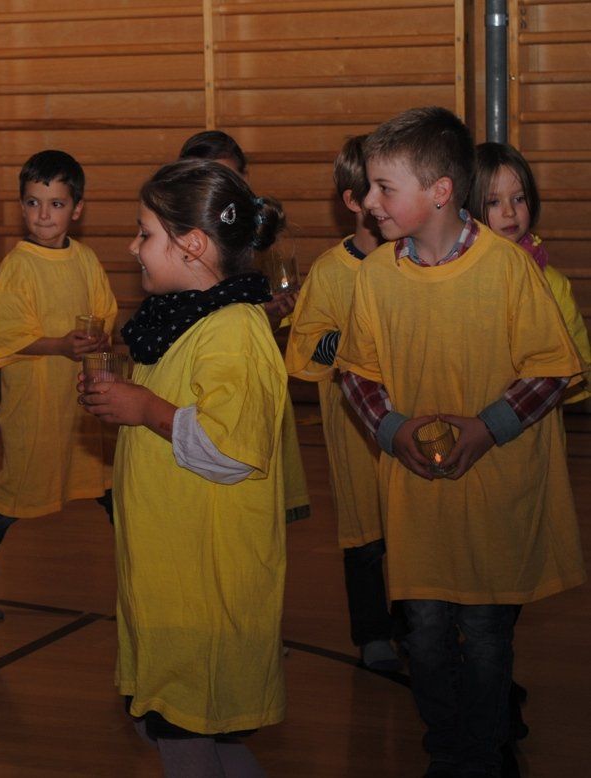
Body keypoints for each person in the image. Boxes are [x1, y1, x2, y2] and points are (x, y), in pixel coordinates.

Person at [335, 107, 585, 778]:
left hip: (496, 500)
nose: (370, 201)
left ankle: (479, 752)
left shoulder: (509, 270)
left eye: (385, 188)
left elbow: (552, 370)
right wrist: (392, 429)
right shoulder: (374, 276)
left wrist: (487, 427)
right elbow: (354, 373)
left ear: (440, 191)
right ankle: (448, 747)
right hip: (418, 504)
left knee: (486, 639)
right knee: (424, 637)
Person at [82, 159, 288, 777]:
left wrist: (144, 408)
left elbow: (230, 450)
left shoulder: (235, 330)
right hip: (171, 571)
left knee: (183, 727)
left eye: (145, 233)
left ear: (192, 245)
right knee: (184, 725)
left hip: (205, 584)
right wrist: (125, 405)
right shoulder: (181, 317)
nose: (132, 247)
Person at [0, 149, 117, 623]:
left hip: (79, 406)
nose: (44, 215)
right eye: (33, 203)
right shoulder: (19, 264)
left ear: (77, 208)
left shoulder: (86, 259)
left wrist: (97, 340)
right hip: (36, 408)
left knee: (112, 488)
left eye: (56, 204)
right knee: (12, 498)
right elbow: (0, 334)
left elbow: (104, 311)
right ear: (21, 207)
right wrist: (58, 345)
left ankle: (154, 575)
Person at [284, 135, 401, 672]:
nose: (381, 201)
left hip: (411, 426)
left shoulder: (417, 260)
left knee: (414, 534)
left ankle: (418, 627)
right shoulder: (332, 271)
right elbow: (305, 347)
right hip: (356, 431)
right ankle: (373, 632)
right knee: (365, 536)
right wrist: (358, 341)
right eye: (372, 190)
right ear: (353, 200)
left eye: (390, 188)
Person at [180, 130, 310, 524]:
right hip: (201, 401)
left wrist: (272, 313)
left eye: (230, 180)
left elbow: (258, 319)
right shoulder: (175, 251)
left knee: (253, 507)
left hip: (250, 395)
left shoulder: (257, 240)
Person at [467, 141, 591, 404]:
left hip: (534, 419)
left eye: (519, 198)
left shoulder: (552, 283)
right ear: (468, 207)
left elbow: (580, 364)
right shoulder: (455, 277)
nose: (509, 211)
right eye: (493, 202)